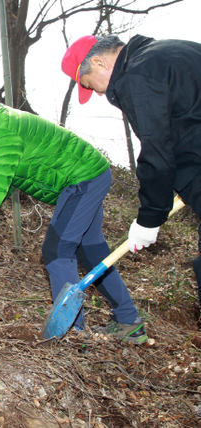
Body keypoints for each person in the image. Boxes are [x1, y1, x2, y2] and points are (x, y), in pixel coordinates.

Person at [0, 77, 147, 343]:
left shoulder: (3, 134)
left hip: (82, 179)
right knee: (89, 251)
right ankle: (129, 323)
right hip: (89, 175)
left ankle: (72, 335)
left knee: (57, 251)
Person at [61, 34, 201, 307]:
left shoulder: (135, 75)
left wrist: (149, 218)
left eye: (92, 85)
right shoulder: (169, 51)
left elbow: (156, 150)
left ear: (100, 62)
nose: (100, 93)